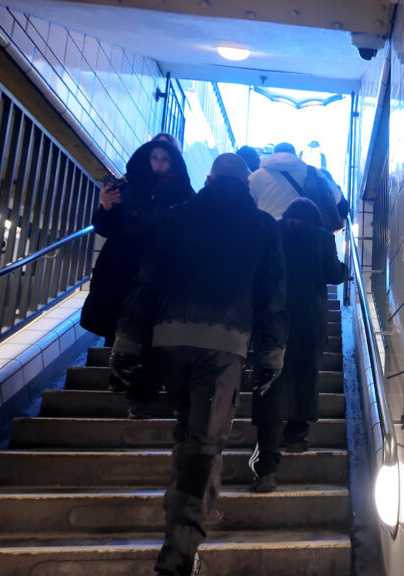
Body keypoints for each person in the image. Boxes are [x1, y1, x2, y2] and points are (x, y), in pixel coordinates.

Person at [110, 153, 287, 576]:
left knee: (187, 434)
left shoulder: (175, 217)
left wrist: (127, 343)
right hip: (224, 346)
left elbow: (145, 284)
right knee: (204, 447)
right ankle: (178, 556)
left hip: (169, 342)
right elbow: (272, 299)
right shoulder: (263, 226)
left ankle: (181, 528)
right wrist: (271, 355)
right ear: (247, 184)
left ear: (209, 179)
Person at [80, 139, 194, 419]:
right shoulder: (126, 188)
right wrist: (105, 208)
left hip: (160, 274)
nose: (159, 164)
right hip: (122, 269)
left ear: (174, 162)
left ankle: (140, 394)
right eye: (155, 157)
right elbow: (105, 228)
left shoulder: (183, 194)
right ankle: (122, 377)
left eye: (165, 159)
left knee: (149, 333)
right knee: (120, 324)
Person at [250, 198, 346, 491]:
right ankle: (296, 435)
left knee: (270, 380)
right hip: (308, 319)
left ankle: (267, 460)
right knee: (306, 374)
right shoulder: (322, 238)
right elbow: (333, 273)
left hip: (272, 317)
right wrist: (345, 269)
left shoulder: (272, 231)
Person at [247, 142, 342, 230]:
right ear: (294, 154)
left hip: (271, 232)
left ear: (274, 154)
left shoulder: (256, 176)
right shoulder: (312, 172)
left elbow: (248, 206)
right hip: (306, 233)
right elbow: (336, 196)